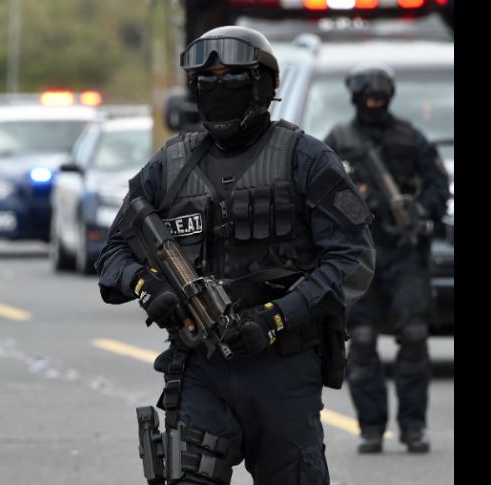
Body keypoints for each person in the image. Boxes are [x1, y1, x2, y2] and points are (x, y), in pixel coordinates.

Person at [96, 26, 376, 484]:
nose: (218, 89)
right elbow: (113, 254)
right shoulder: (169, 166)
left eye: (232, 78)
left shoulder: (306, 159)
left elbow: (353, 260)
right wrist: (149, 288)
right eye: (208, 81)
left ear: (262, 86)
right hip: (200, 370)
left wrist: (277, 316)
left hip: (281, 369)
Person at [324, 63, 450, 454]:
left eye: (380, 97)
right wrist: (353, 200)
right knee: (360, 341)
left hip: (404, 253)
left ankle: (413, 427)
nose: (374, 103)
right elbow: (320, 190)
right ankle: (372, 428)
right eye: (369, 98)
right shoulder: (340, 140)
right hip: (358, 254)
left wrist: (418, 209)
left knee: (413, 337)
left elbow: (438, 185)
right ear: (357, 98)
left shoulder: (410, 138)